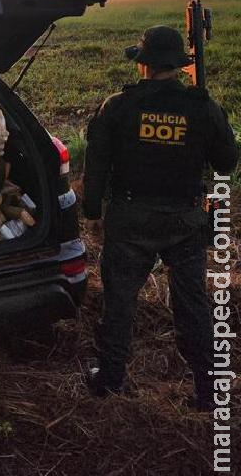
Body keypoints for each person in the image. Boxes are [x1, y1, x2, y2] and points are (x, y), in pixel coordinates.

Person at [82, 25, 238, 411]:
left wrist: (91, 212)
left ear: (144, 65)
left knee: (119, 303)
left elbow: (97, 164)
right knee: (193, 307)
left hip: (130, 219)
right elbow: (227, 162)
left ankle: (110, 381)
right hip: (184, 221)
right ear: (180, 67)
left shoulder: (117, 105)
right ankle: (207, 392)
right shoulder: (203, 106)